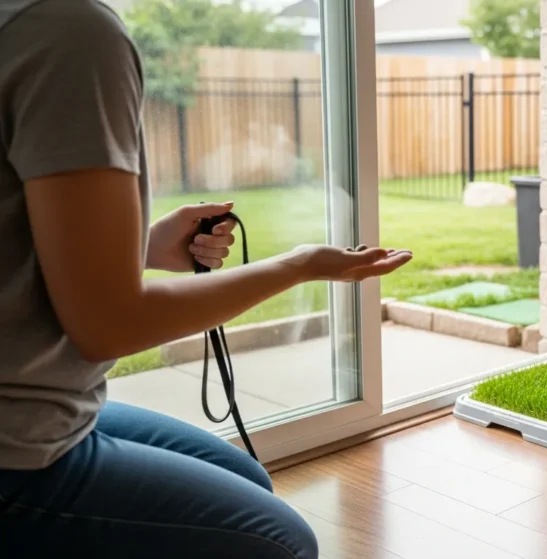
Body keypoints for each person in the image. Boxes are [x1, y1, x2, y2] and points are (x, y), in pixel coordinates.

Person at [0, 1, 412, 557]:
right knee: (281, 543)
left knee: (243, 477)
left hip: (45, 404)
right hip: (18, 441)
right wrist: (301, 265)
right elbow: (110, 324)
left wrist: (139, 246)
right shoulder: (69, 32)